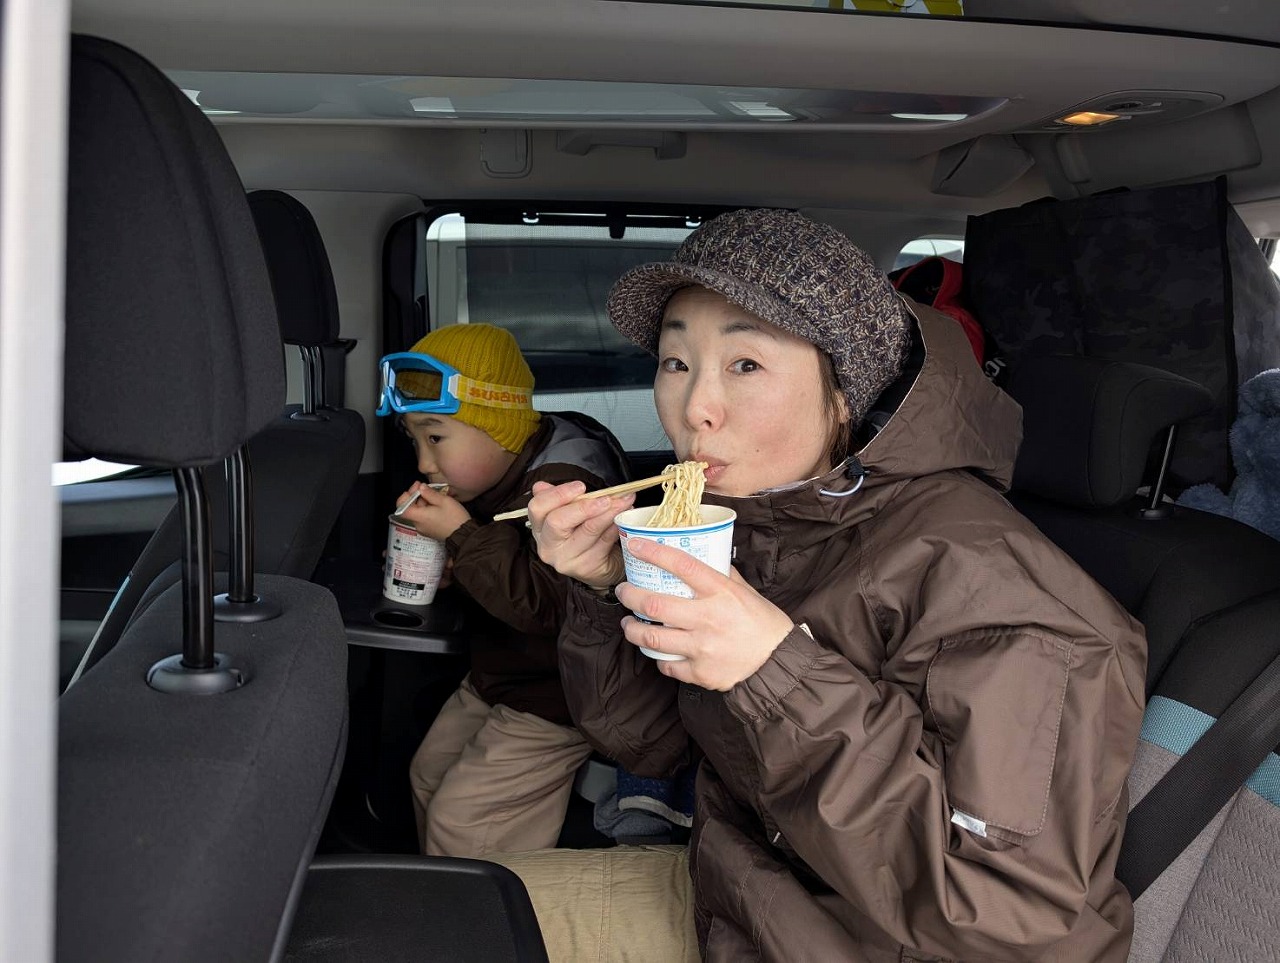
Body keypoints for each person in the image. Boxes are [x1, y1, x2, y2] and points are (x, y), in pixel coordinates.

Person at [504, 209, 1147, 962]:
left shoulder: (1002, 594)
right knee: (437, 908)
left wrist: (772, 670)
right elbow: (646, 743)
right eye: (677, 362)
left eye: (745, 365)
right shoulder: (763, 524)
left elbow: (1005, 910)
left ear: (846, 393)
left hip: (858, 940)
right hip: (740, 896)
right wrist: (609, 582)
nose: (694, 408)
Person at [377, 323, 631, 857]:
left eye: (436, 437)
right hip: (506, 671)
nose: (424, 462)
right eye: (414, 439)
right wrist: (454, 564)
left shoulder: (564, 489)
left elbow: (547, 608)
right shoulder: (501, 472)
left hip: (563, 693)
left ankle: (487, 926)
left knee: (467, 821)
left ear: (501, 426)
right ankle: (445, 898)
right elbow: (503, 572)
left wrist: (461, 536)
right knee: (426, 773)